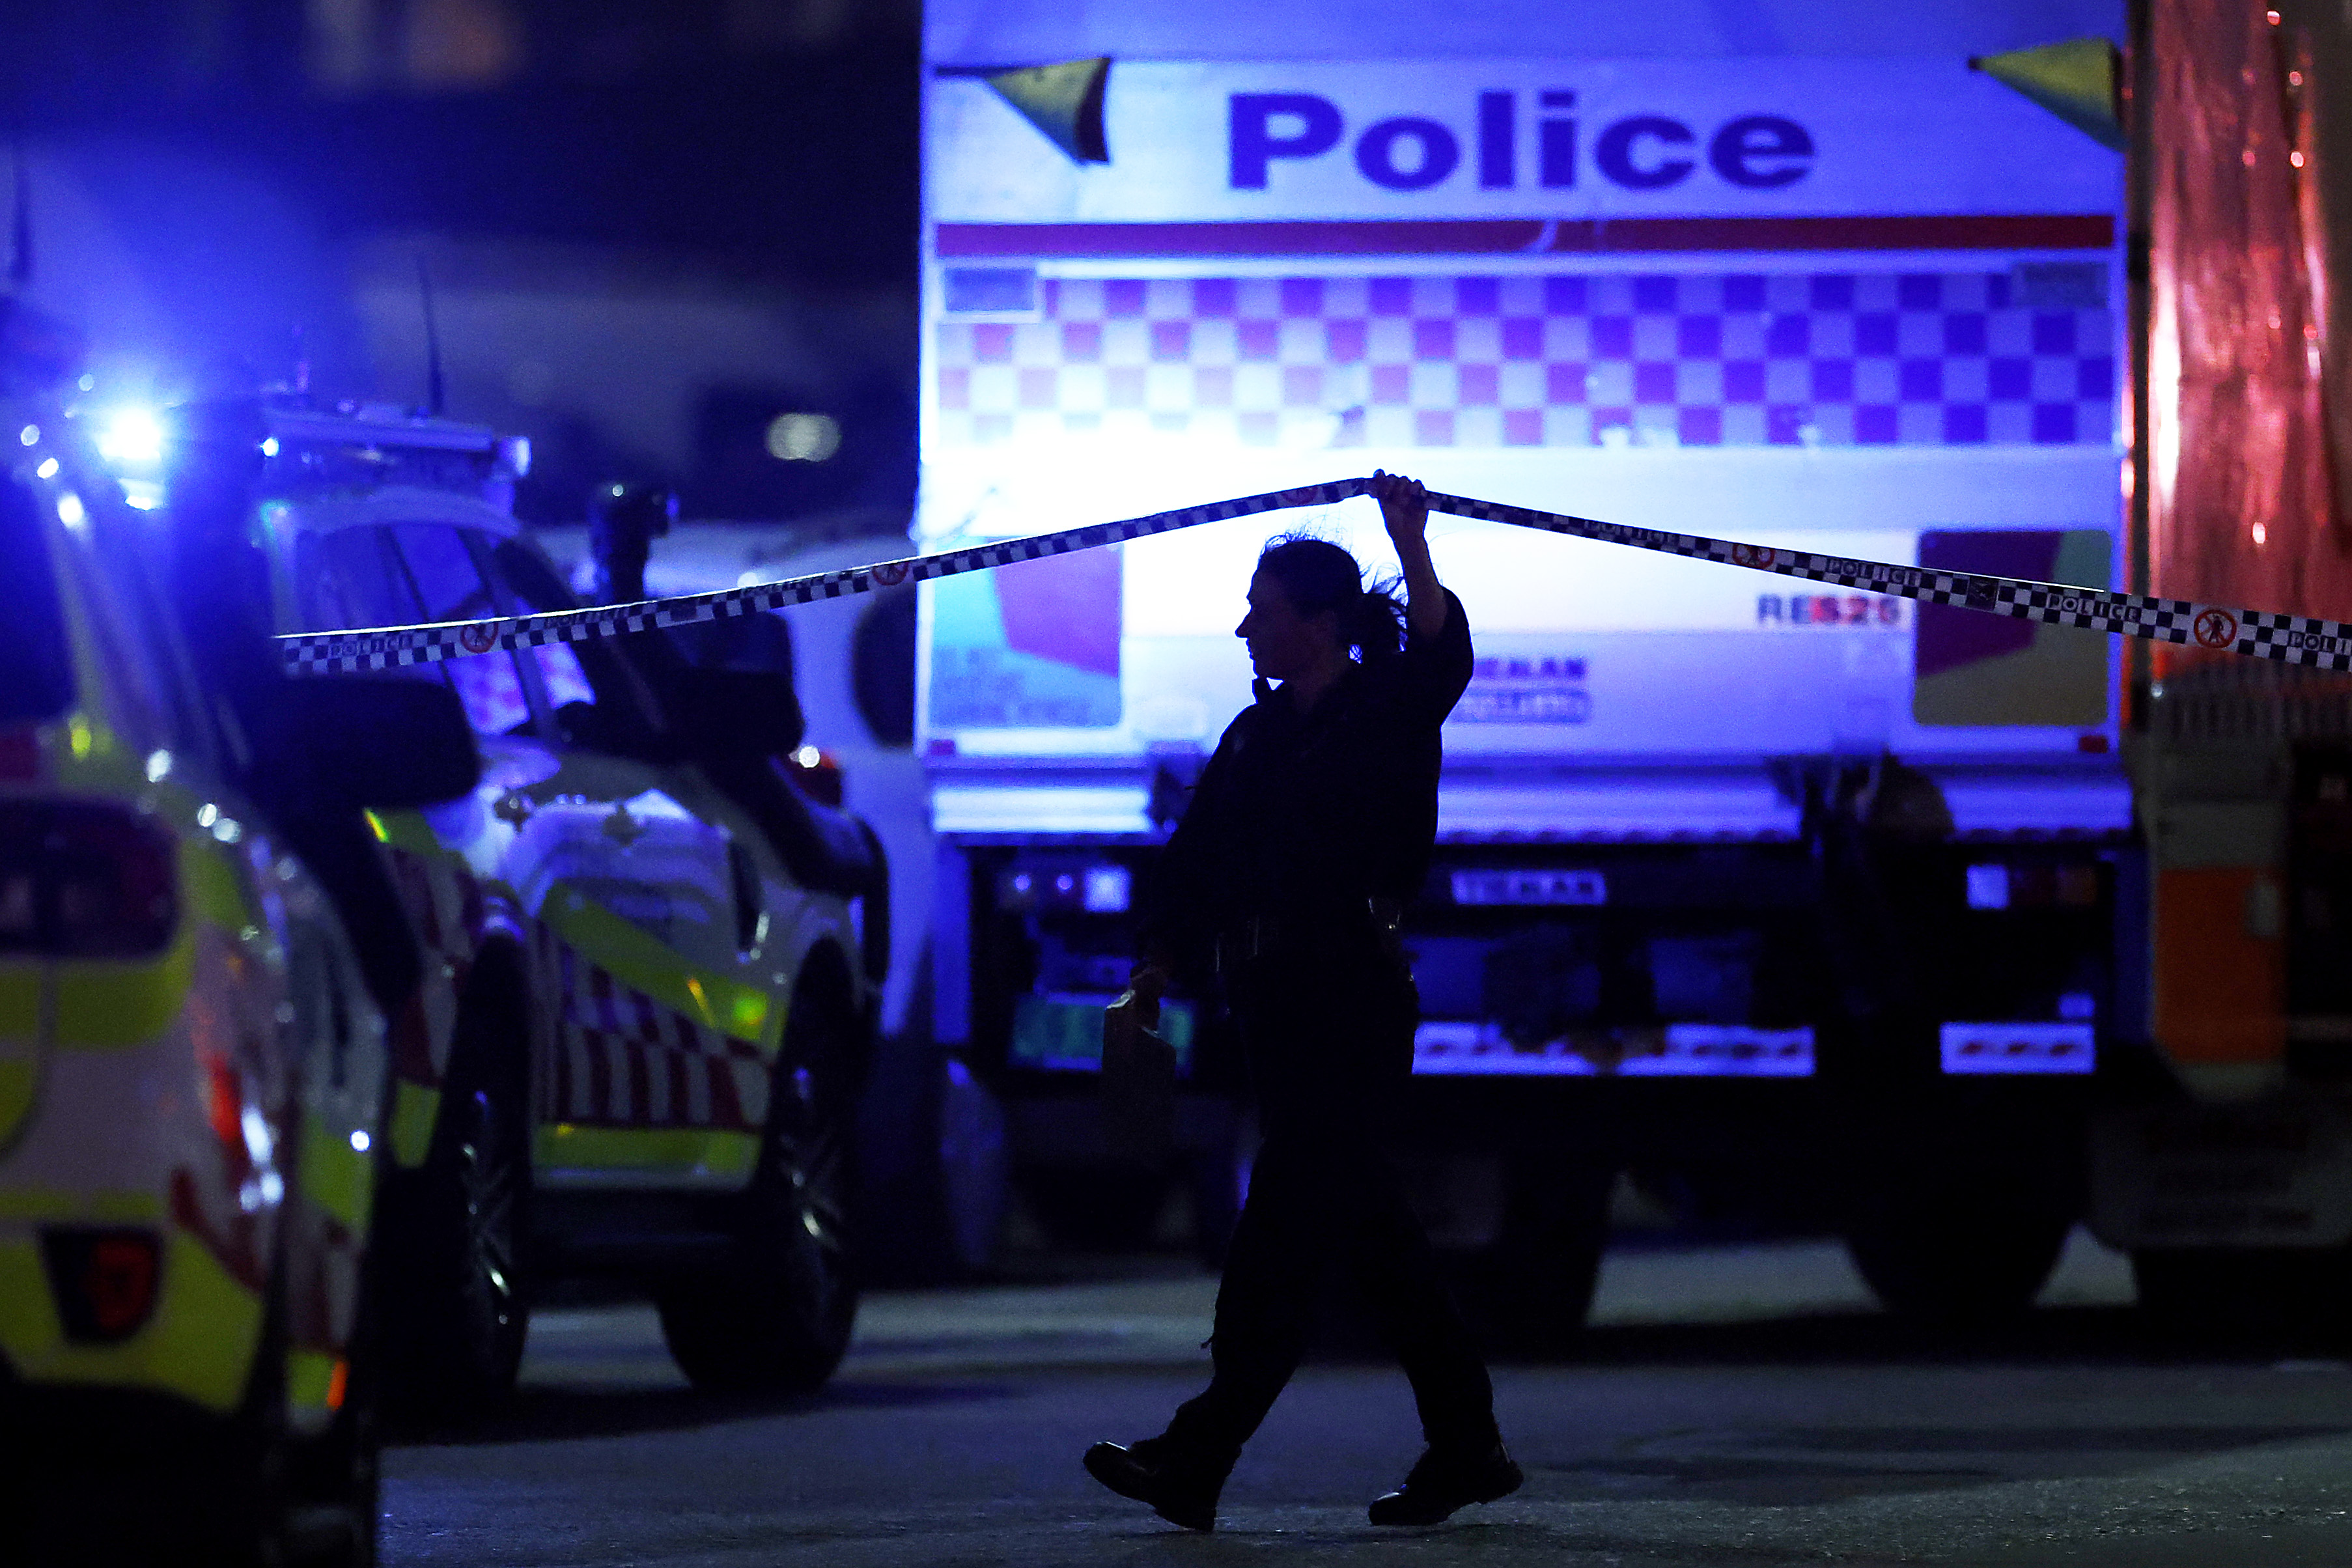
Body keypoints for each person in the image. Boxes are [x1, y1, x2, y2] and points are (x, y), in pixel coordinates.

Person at [1083, 471, 1520, 1532]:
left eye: (1262, 611)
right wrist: (1158, 961)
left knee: (1279, 1230)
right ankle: (1467, 1446)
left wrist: (1409, 544)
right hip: (1272, 1008)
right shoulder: (1255, 736)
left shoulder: (1387, 713)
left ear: (1317, 625)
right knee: (1373, 1235)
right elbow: (1199, 864)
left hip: (1351, 1003)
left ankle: (1200, 1452)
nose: (1243, 628)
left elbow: (1441, 659)